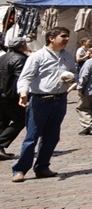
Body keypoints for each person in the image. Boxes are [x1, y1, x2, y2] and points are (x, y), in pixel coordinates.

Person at [11, 26, 77, 182]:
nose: (67, 39)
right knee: (32, 136)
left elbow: (75, 73)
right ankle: (20, 169)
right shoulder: (37, 56)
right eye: (63, 36)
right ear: (51, 38)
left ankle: (42, 167)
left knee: (52, 136)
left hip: (59, 100)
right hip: (40, 100)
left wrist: (72, 79)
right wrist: (23, 94)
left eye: (67, 36)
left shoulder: (67, 56)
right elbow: (25, 77)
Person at [0, 37, 31, 160]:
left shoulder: (3, 58)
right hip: (11, 96)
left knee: (2, 122)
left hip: (2, 94)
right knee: (22, 119)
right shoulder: (21, 59)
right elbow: (21, 78)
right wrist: (23, 94)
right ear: (22, 45)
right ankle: (1, 143)